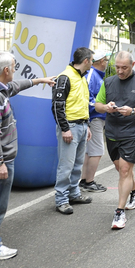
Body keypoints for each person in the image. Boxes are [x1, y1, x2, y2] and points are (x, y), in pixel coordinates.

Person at [0, 51, 55, 260]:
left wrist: (39, 80)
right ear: (6, 70)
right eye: (14, 66)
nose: (15, 69)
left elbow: (15, 87)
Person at [95, 51, 135, 230]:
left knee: (124, 169)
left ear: (133, 65)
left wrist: (132, 111)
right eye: (117, 67)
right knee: (121, 169)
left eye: (124, 68)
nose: (120, 71)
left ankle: (119, 212)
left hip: (132, 132)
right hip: (113, 132)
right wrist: (106, 107)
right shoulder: (108, 82)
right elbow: (97, 104)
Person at [52, 47, 94, 215]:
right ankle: (61, 200)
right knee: (66, 165)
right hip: (71, 127)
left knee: (77, 164)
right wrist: (65, 128)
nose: (92, 63)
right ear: (86, 61)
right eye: (91, 60)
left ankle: (74, 194)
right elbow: (57, 106)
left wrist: (87, 125)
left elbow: (81, 103)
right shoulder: (65, 77)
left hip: (81, 126)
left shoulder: (81, 78)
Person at [79, 50, 110, 193]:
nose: (108, 63)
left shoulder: (95, 75)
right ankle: (89, 181)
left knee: (90, 151)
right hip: (94, 117)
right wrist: (102, 107)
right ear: (102, 61)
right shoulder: (92, 75)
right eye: (107, 60)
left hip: (95, 116)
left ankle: (85, 180)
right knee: (97, 150)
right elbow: (86, 98)